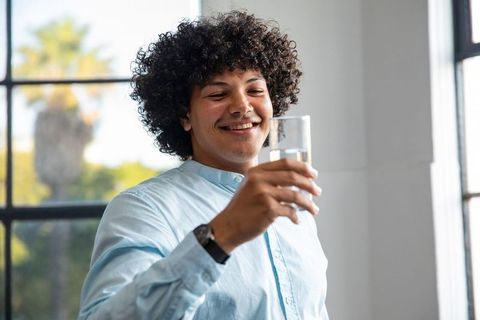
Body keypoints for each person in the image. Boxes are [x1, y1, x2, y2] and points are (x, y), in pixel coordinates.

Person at [78, 10, 328, 320]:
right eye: (218, 93)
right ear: (184, 115)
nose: (242, 106)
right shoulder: (144, 209)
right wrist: (221, 235)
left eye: (255, 90)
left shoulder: (294, 211)